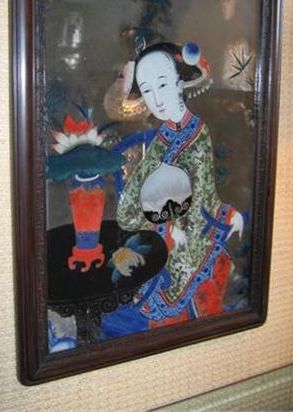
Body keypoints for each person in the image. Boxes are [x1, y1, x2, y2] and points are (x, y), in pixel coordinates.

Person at [102, 42, 245, 337]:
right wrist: (159, 224)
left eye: (163, 85)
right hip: (160, 231)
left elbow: (203, 198)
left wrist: (225, 214)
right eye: (147, 90)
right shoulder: (164, 136)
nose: (157, 99)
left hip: (190, 237)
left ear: (179, 83)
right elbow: (130, 206)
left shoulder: (198, 134)